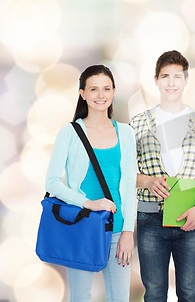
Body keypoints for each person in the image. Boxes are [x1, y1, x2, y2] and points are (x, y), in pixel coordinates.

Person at [130, 50, 195, 302]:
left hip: (191, 218)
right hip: (150, 219)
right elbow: (124, 174)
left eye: (177, 76)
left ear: (186, 80)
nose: (171, 82)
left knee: (189, 294)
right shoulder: (138, 124)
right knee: (155, 293)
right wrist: (146, 181)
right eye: (165, 76)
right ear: (155, 79)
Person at [45, 65, 137, 301]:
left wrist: (128, 231)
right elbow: (52, 182)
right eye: (94, 89)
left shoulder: (126, 133)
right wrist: (88, 203)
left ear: (114, 91)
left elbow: (129, 186)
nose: (101, 95)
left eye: (106, 89)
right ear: (82, 93)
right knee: (81, 297)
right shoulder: (70, 132)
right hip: (82, 226)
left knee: (119, 298)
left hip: (117, 230)